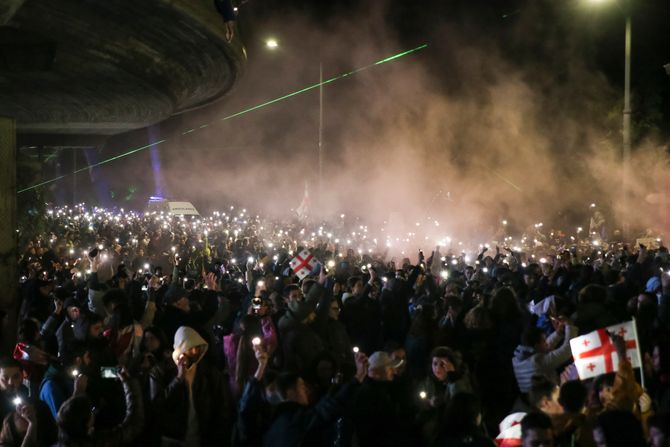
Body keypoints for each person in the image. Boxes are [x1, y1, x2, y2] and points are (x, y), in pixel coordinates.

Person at [156, 326, 232, 446]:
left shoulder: (209, 373)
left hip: (201, 438)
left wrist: (217, 435)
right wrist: (178, 379)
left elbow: (222, 406)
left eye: (197, 348)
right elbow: (159, 403)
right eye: (190, 348)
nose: (195, 353)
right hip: (172, 439)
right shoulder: (163, 371)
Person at [53, 369, 143, 447]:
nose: (93, 412)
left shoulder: (62, 440)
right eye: (91, 411)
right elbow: (133, 425)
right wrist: (128, 382)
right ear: (88, 425)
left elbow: (74, 414)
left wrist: (78, 393)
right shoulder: (95, 443)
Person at [513, 322, 578, 394]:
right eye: (544, 341)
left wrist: (558, 333)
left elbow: (544, 347)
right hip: (548, 397)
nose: (546, 343)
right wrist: (570, 326)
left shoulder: (521, 356)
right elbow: (566, 351)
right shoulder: (536, 363)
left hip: (535, 396)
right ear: (536, 346)